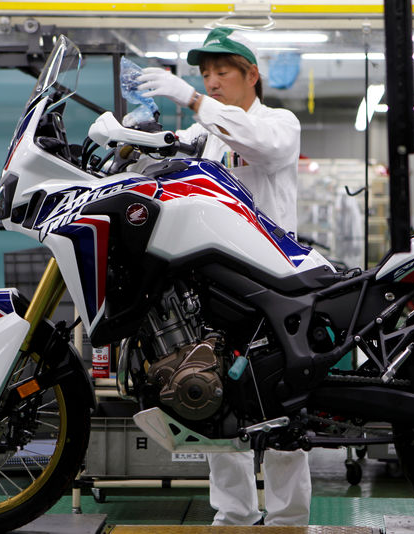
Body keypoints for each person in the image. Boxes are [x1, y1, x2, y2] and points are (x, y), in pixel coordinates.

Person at [137, 28, 311, 526]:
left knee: (278, 399)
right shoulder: (207, 134)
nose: (212, 82)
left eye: (222, 72)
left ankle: (286, 518)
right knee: (213, 392)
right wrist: (127, 137)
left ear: (252, 75)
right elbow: (169, 158)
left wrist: (191, 99)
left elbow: (258, 146)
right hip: (213, 280)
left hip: (271, 280)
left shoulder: (279, 122)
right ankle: (233, 514)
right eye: (205, 74)